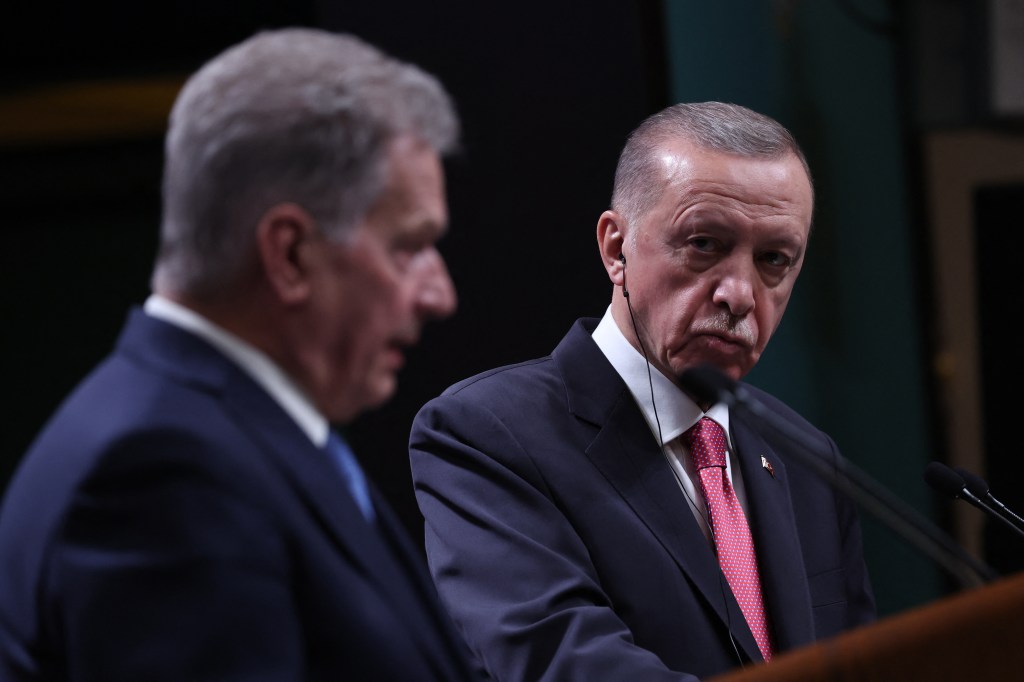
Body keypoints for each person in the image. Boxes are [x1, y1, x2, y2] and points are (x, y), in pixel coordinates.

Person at [0, 27, 483, 681]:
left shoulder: (226, 436)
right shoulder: (165, 474)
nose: (440, 295)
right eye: (408, 247)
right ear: (289, 254)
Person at [409, 101, 876, 681]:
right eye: (704, 243)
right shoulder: (489, 434)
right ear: (615, 249)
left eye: (773, 259)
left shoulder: (808, 462)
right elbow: (563, 661)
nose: (739, 293)